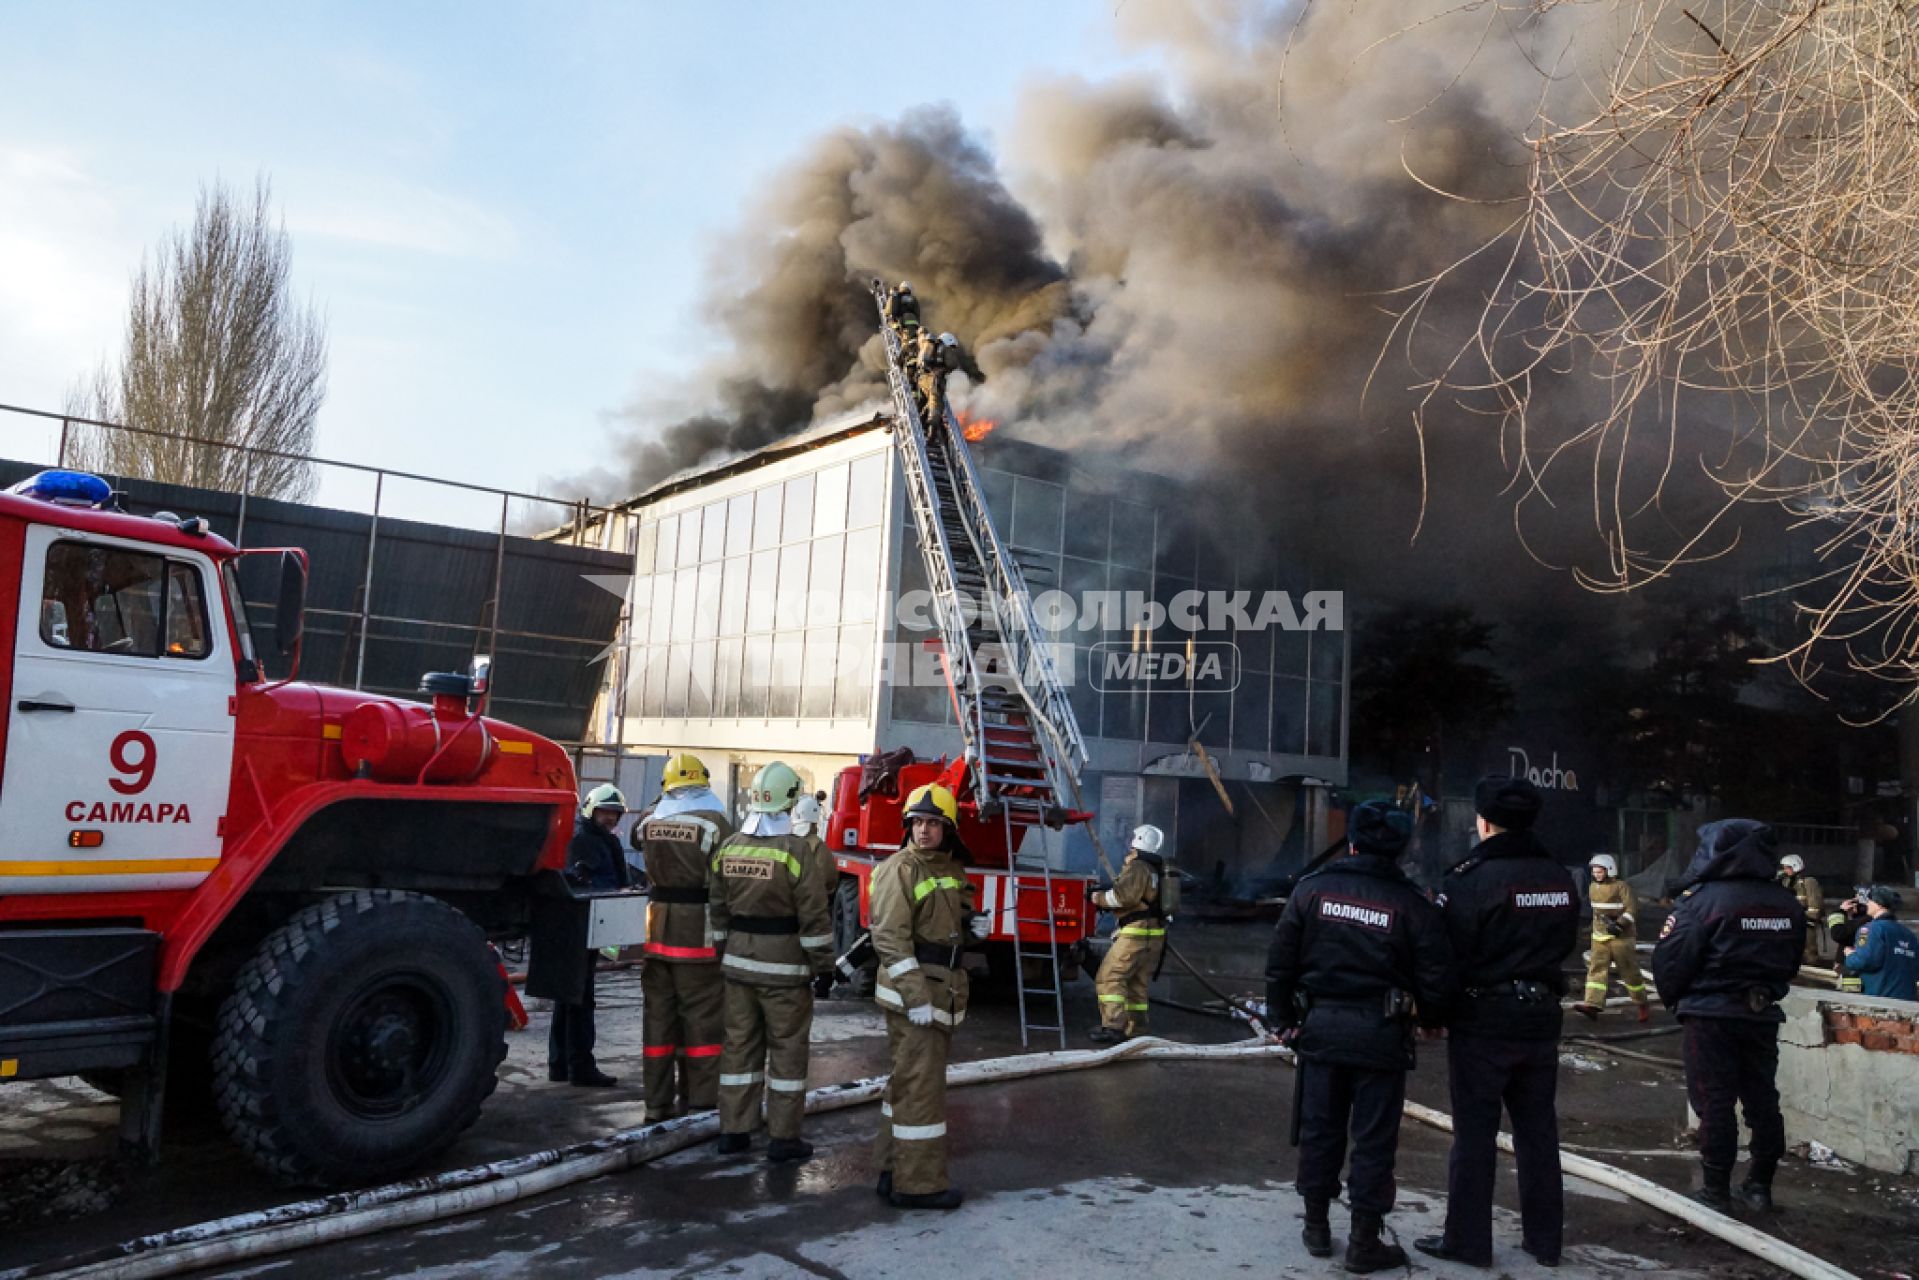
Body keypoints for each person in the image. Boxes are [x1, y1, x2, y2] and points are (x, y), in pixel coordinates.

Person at [1266, 800, 1453, 1272]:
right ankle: (1365, 1242)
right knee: (1373, 1141)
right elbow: (1435, 976)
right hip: (1382, 1038)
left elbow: (1280, 963)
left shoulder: (1311, 891)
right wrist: (1431, 1017)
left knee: (1319, 1129)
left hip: (1321, 1032)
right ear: (1401, 850)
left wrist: (1281, 1019)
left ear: (1351, 843)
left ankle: (1315, 1228)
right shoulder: (1413, 903)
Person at [1416, 776, 1579, 1270]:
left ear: (1483, 823)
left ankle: (1468, 1241)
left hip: (1483, 1021)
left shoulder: (1470, 879)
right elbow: (1567, 941)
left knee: (1475, 1134)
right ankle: (1545, 1242)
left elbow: (1446, 956)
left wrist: (1432, 1014)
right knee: (1538, 1133)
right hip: (1541, 1020)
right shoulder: (1559, 876)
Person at [1653, 819, 1805, 1211]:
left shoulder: (1703, 900)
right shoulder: (1785, 901)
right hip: (1762, 1013)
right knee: (1762, 1099)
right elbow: (1791, 961)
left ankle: (1715, 1190)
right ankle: (1760, 1185)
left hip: (1709, 1015)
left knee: (1714, 1101)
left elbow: (1672, 961)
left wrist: (1679, 1001)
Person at [709, 761, 836, 1161]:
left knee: (738, 1049)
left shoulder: (728, 847)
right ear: (789, 801)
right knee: (786, 1052)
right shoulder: (796, 852)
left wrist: (724, 953)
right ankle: (783, 1138)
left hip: (738, 968)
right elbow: (814, 917)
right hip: (785, 972)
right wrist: (824, 967)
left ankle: (734, 1130)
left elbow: (717, 909)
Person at [870, 783, 988, 1211]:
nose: (923, 831)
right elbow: (889, 939)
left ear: (947, 830)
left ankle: (891, 1169)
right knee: (922, 1088)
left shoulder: (947, 869)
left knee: (907, 1082)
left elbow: (950, 919)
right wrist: (916, 998)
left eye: (933, 823)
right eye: (917, 822)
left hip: (941, 992)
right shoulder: (899, 869)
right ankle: (918, 1185)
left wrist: (972, 928)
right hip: (916, 998)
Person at [631, 753, 734, 1124]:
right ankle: (701, 1103)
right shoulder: (715, 824)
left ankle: (656, 1105)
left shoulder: (650, 822)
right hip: (699, 938)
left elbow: (635, 830)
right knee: (703, 1023)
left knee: (658, 1024)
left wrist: (662, 801)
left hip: (656, 934)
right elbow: (727, 877)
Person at [549, 783, 631, 1089]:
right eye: (605, 812)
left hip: (581, 925)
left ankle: (560, 1064)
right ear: (590, 810)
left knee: (569, 997)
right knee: (580, 999)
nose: (610, 818)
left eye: (615, 814)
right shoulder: (585, 840)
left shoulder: (595, 838)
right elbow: (590, 882)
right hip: (582, 925)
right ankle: (581, 1066)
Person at [1089, 824, 1170, 1042]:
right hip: (1154, 935)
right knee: (1136, 982)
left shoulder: (1138, 867)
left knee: (1109, 978)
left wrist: (1099, 898)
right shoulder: (1158, 869)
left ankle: (1114, 1027)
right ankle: (1137, 1029)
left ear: (1139, 841)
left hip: (1136, 933)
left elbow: (1124, 897)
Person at [1574, 853, 1650, 1023]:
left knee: (1629, 972)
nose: (1596, 874)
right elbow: (1596, 913)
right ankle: (1592, 1005)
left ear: (1609, 870)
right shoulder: (1593, 887)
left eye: (1599, 871)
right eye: (1594, 871)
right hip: (1600, 938)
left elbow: (1632, 909)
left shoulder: (1621, 887)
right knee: (1596, 972)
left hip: (1621, 938)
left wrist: (1620, 924)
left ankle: (1642, 1003)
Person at [1840, 886, 1919, 1002]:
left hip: (1879, 999)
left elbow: (1864, 961)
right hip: (1907, 1001)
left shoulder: (1871, 929)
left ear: (1879, 904)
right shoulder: (1909, 935)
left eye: (1870, 900)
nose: (1867, 904)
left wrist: (1850, 955)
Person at [1777, 854, 1825, 965]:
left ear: (1795, 866)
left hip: (1806, 922)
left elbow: (1815, 906)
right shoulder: (1787, 882)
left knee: (1808, 951)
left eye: (1787, 867)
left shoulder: (1809, 882)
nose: (1784, 870)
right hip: (1792, 921)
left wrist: (1808, 917)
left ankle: (1812, 976)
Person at [914, 331, 961, 427]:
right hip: (934, 379)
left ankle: (920, 420)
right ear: (948, 341)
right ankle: (929, 424)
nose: (952, 349)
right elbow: (953, 364)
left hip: (922, 378)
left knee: (929, 401)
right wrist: (945, 369)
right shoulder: (945, 348)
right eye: (951, 346)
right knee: (936, 405)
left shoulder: (929, 348)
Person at [1829, 893, 1871, 993]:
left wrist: (1839, 912)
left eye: (1857, 901)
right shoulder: (1865, 922)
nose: (1854, 903)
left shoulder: (1862, 923)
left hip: (1854, 978)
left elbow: (1838, 933)